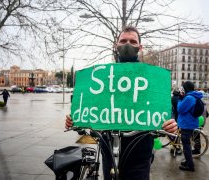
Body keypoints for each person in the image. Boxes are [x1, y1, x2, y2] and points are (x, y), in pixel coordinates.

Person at [65, 26, 178, 180]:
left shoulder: (150, 77)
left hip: (140, 153)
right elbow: (91, 108)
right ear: (116, 45)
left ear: (140, 47)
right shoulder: (103, 77)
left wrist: (170, 122)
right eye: (123, 41)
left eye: (133, 41)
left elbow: (161, 105)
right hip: (108, 151)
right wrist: (76, 120)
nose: (127, 44)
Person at [177, 81, 203, 172]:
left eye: (183, 87)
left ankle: (190, 166)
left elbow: (180, 109)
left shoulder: (189, 98)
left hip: (186, 124)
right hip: (190, 123)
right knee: (187, 144)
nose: (182, 89)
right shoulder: (194, 96)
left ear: (186, 88)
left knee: (186, 146)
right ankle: (188, 161)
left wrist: (180, 99)